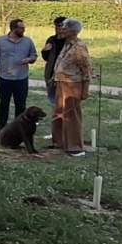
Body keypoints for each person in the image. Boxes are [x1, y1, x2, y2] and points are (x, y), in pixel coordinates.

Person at [0, 18, 39, 132]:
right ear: (13, 28)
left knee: (21, 105)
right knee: (3, 103)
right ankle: (2, 127)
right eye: (21, 28)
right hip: (4, 77)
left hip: (21, 78)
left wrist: (30, 59)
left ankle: (19, 128)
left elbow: (34, 55)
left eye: (24, 28)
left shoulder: (28, 41)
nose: (24, 30)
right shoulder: (0, 41)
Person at [51, 18, 91, 158]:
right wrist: (54, 78)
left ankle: (75, 147)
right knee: (59, 112)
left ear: (73, 31)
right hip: (61, 82)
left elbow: (86, 69)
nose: (61, 30)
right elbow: (61, 63)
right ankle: (59, 142)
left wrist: (85, 90)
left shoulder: (79, 47)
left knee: (71, 114)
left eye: (64, 28)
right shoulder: (67, 44)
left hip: (73, 84)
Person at [41, 17, 68, 107]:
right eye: (56, 26)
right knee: (52, 100)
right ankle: (55, 114)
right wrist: (45, 51)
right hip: (51, 73)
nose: (57, 29)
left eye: (59, 26)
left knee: (64, 101)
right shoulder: (51, 40)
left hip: (66, 75)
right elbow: (46, 58)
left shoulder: (70, 41)